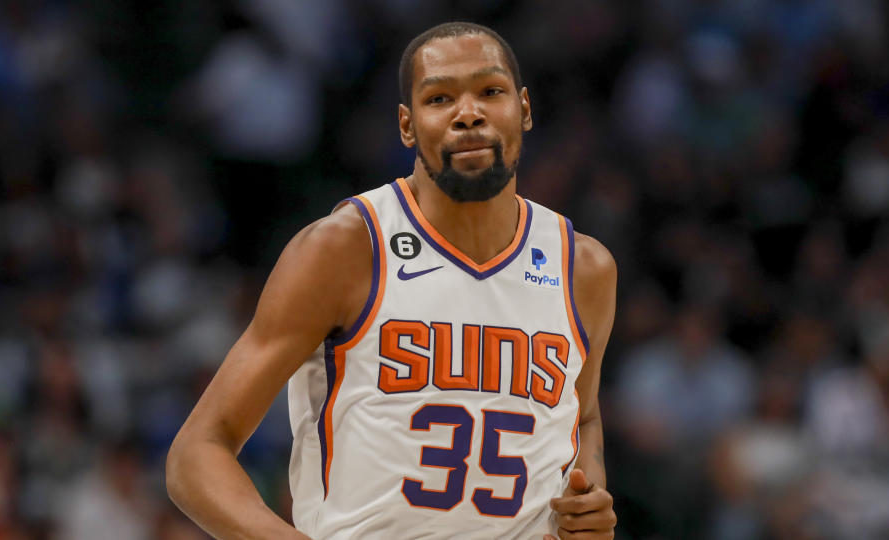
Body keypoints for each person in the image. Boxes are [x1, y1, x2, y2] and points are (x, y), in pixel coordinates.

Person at [166, 21, 618, 539]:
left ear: (525, 109)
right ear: (407, 126)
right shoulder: (345, 249)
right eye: (439, 97)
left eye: (490, 92)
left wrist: (586, 504)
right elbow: (196, 453)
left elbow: (582, 420)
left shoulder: (583, 268)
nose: (468, 114)